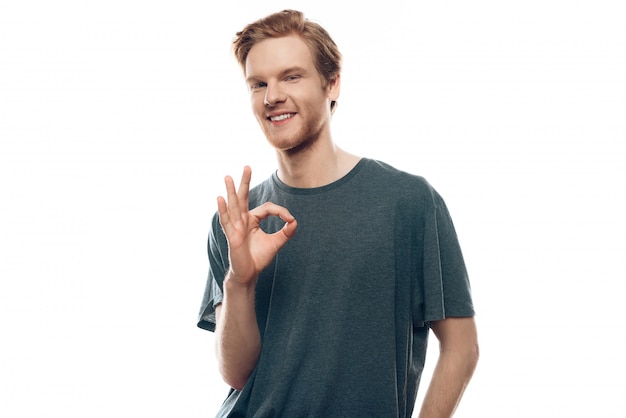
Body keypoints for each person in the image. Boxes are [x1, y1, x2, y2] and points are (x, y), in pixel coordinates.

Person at [198, 9, 479, 417]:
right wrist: (239, 281)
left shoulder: (408, 202)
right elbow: (236, 374)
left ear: (333, 83)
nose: (271, 96)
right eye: (258, 83)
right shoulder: (238, 221)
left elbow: (461, 345)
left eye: (291, 76)